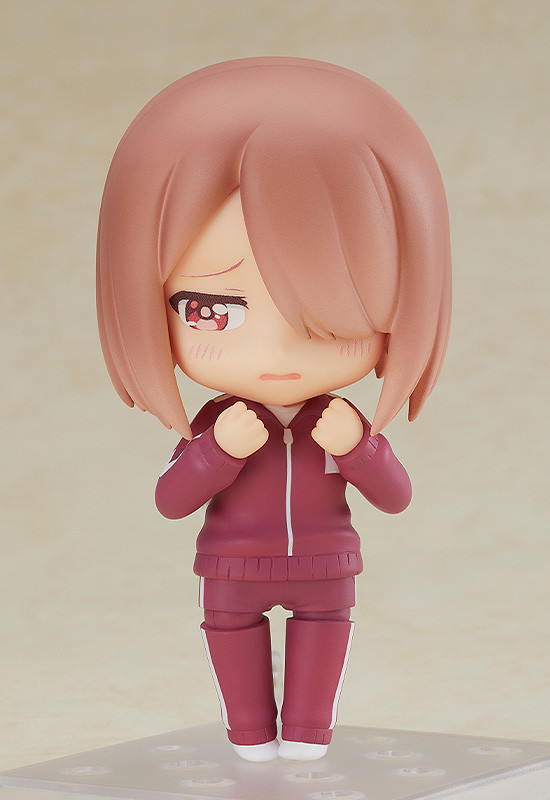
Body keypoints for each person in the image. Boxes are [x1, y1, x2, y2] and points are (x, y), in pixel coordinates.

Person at [97, 57, 451, 762]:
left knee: (318, 684)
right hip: (230, 573)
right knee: (239, 679)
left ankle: (310, 738)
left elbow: (396, 496)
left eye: (331, 314)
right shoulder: (217, 424)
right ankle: (250, 737)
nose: (278, 351)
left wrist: (360, 448)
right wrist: (215, 453)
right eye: (211, 309)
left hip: (328, 570)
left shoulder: (339, 421)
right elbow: (171, 500)